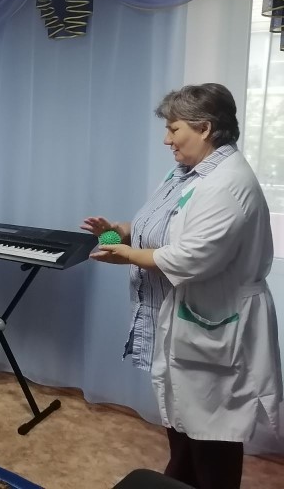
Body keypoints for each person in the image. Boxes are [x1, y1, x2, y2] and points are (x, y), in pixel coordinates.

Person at [81, 83, 282, 489]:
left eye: (174, 129)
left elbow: (188, 257)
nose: (166, 139)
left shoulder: (227, 185)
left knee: (213, 440)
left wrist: (124, 254)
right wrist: (115, 233)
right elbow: (155, 231)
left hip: (214, 325)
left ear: (204, 128)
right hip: (182, 321)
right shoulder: (184, 174)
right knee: (183, 429)